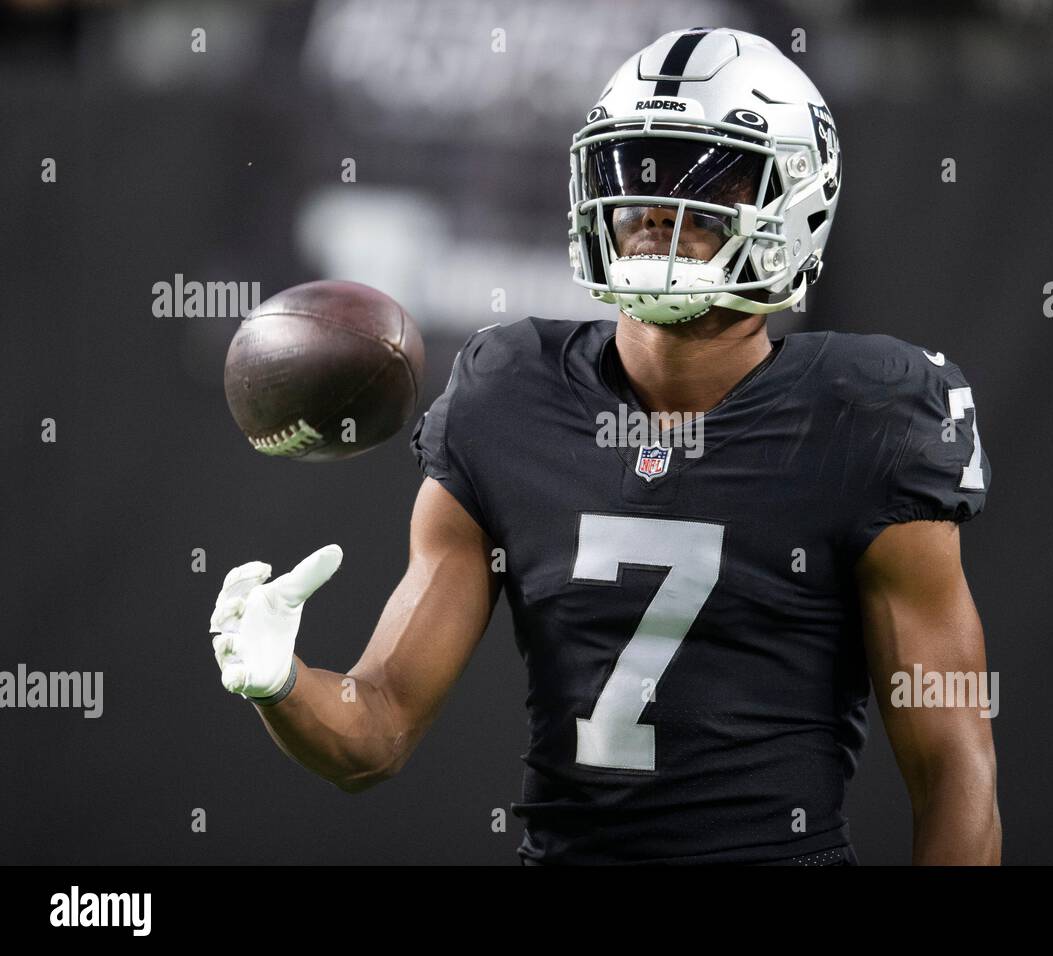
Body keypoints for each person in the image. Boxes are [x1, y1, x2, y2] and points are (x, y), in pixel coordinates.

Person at [209, 27, 999, 866]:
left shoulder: (864, 412)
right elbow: (373, 733)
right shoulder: (507, 391)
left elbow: (954, 765)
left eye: (711, 172)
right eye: (641, 168)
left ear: (795, 203)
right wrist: (282, 684)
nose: (658, 207)